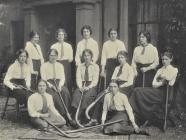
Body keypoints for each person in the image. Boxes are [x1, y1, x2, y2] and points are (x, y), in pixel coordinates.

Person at [85, 51, 134, 126]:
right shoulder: (117, 68)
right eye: (119, 58)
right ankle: (95, 119)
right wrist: (108, 88)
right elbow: (113, 80)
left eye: (122, 57)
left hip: (125, 87)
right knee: (100, 95)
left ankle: (99, 119)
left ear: (126, 58)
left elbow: (130, 82)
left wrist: (119, 87)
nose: (120, 59)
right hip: (114, 86)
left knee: (105, 96)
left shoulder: (130, 68)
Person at [130, 51, 178, 127]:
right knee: (137, 90)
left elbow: (168, 79)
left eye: (166, 59)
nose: (164, 61)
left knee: (137, 91)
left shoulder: (174, 70)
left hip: (166, 94)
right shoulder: (160, 70)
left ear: (171, 59)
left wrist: (161, 80)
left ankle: (142, 116)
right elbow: (153, 84)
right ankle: (141, 115)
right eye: (162, 59)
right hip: (156, 91)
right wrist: (162, 81)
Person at [40, 49, 71, 123]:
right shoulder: (44, 66)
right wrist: (51, 86)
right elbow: (44, 79)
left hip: (58, 83)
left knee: (65, 92)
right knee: (54, 95)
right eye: (51, 55)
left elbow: (63, 77)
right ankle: (61, 115)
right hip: (48, 84)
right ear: (48, 56)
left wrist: (60, 86)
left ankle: (68, 114)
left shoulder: (60, 65)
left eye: (55, 55)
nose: (53, 57)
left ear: (57, 56)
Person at [71, 49, 99, 125]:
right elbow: (78, 78)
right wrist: (80, 87)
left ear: (91, 57)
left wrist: (88, 87)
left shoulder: (95, 66)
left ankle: (80, 118)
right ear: (83, 57)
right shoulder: (80, 66)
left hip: (91, 86)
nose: (86, 57)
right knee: (76, 95)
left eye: (88, 55)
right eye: (85, 56)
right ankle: (76, 118)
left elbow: (95, 80)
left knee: (86, 97)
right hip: (82, 85)